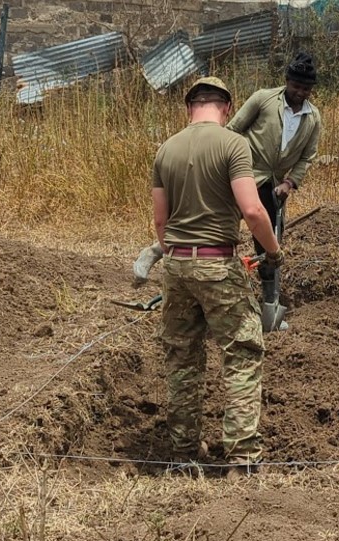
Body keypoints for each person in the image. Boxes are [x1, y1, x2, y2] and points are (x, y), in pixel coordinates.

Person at [151, 76, 284, 477]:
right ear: (227, 107)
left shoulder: (166, 149)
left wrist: (177, 254)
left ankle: (183, 452)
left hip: (176, 264)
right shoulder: (233, 144)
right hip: (217, 262)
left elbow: (160, 220)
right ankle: (242, 457)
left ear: (189, 106)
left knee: (182, 357)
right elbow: (254, 212)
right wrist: (273, 252)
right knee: (242, 353)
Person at [136, 52, 323, 332]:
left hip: (272, 186)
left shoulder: (313, 118)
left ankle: (269, 306)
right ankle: (156, 250)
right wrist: (222, 162)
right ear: (286, 82)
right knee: (207, 219)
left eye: (306, 89)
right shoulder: (263, 99)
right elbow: (232, 128)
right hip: (240, 173)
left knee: (268, 245)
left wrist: (289, 183)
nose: (300, 92)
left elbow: (307, 157)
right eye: (296, 86)